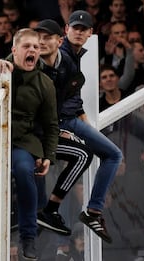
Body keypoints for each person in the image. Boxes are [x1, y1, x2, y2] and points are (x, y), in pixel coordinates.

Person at [0, 28, 59, 260]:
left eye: (36, 47)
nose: (33, 50)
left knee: (25, 171)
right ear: (14, 50)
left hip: (22, 142)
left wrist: (49, 156)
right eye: (27, 46)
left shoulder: (44, 82)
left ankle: (28, 236)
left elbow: (51, 124)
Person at [57, 10, 123, 243]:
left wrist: (84, 117)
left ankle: (92, 212)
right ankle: (78, 215)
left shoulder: (76, 55)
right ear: (66, 29)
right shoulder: (59, 55)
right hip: (61, 122)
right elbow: (50, 93)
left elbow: (72, 94)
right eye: (75, 28)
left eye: (83, 29)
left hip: (73, 119)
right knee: (96, 156)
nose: (79, 32)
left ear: (90, 34)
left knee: (113, 154)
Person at [34, 19, 94, 237]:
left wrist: (60, 128)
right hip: (27, 136)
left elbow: (65, 104)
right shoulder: (28, 63)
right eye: (38, 37)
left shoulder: (66, 67)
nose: (41, 42)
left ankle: (48, 212)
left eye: (47, 37)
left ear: (59, 41)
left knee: (83, 153)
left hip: (47, 133)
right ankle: (42, 214)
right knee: (80, 154)